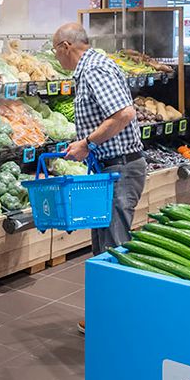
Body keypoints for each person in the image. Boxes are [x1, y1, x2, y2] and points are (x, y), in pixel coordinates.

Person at [52, 22, 145, 334]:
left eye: (55, 50)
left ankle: (123, 323)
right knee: (104, 245)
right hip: (110, 168)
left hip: (119, 168)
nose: (56, 57)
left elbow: (124, 113)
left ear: (66, 47)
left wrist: (87, 143)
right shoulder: (94, 67)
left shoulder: (93, 69)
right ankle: (107, 315)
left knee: (116, 246)